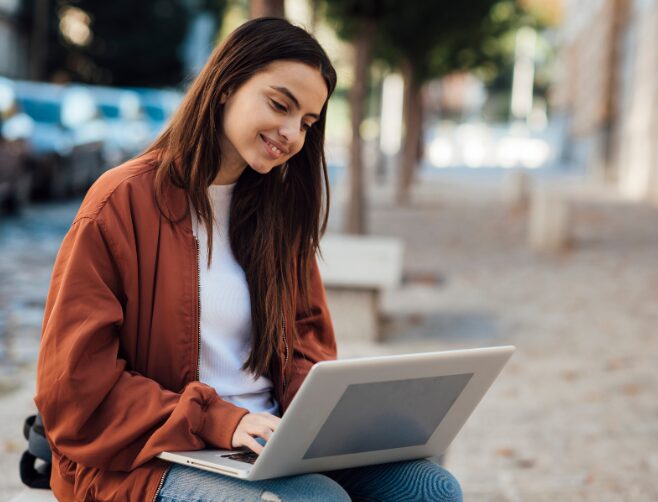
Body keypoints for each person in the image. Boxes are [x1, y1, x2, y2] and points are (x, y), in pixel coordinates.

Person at [34, 17, 463, 502]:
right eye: (279, 105)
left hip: (270, 438)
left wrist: (327, 419)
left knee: (429, 488)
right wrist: (222, 420)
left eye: (306, 122)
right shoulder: (121, 201)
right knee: (313, 500)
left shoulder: (278, 211)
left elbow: (305, 341)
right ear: (226, 85)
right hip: (149, 454)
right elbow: (76, 385)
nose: (291, 134)